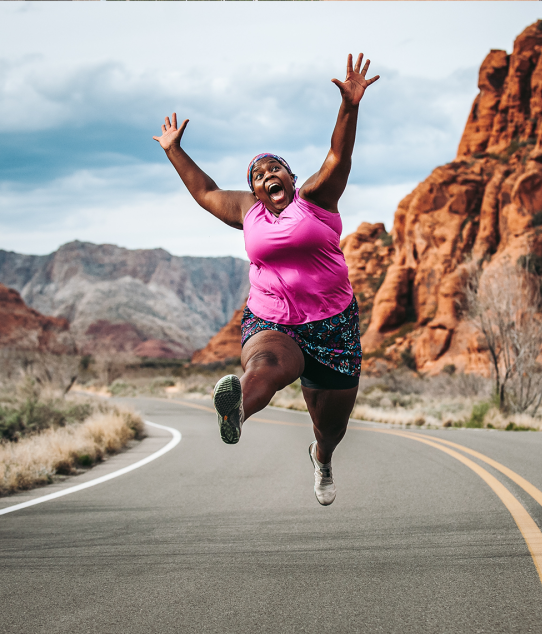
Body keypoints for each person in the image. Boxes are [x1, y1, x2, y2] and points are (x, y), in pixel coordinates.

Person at [153, 53, 379, 506]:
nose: (266, 175)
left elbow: (339, 155)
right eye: (257, 174)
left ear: (291, 177)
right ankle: (237, 410)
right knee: (265, 368)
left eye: (274, 168)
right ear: (254, 190)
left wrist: (350, 106)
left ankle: (322, 457)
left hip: (333, 323)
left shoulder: (316, 199)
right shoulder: (248, 212)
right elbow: (206, 191)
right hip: (272, 318)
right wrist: (173, 149)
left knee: (329, 425)